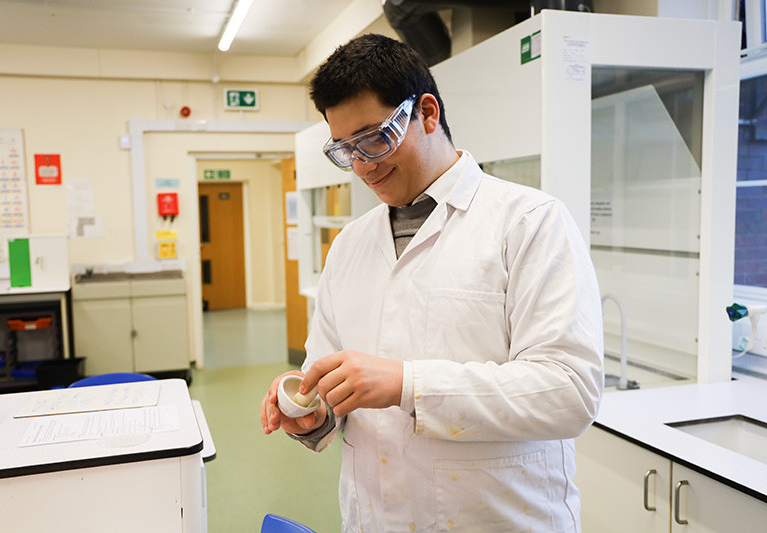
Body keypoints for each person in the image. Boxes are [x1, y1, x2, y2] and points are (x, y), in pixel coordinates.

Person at [259, 33, 604, 532]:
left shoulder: (529, 222)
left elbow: (568, 391)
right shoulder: (350, 246)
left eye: (375, 138)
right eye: (345, 150)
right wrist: (312, 412)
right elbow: (328, 375)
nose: (364, 166)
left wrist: (407, 383)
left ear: (426, 112)